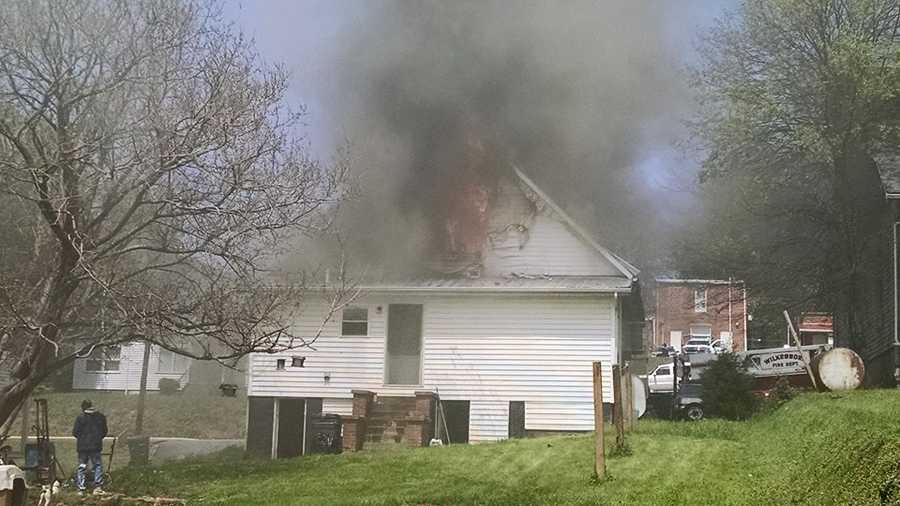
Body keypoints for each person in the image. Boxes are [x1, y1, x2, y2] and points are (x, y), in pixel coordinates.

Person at [72, 399, 108, 495]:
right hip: (96, 446)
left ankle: (81, 488)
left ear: (83, 407)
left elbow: (75, 432)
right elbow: (104, 431)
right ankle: (98, 487)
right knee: (97, 466)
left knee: (82, 466)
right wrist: (98, 438)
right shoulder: (100, 417)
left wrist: (82, 439)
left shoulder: (80, 418)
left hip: (83, 447)